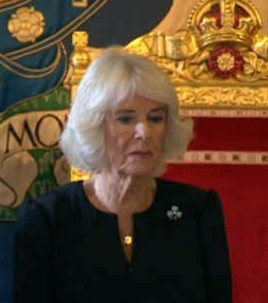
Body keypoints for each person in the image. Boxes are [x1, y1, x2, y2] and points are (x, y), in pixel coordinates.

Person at [12, 46, 232, 302]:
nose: (145, 132)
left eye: (156, 118)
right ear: (93, 128)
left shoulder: (195, 211)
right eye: (126, 119)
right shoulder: (48, 219)